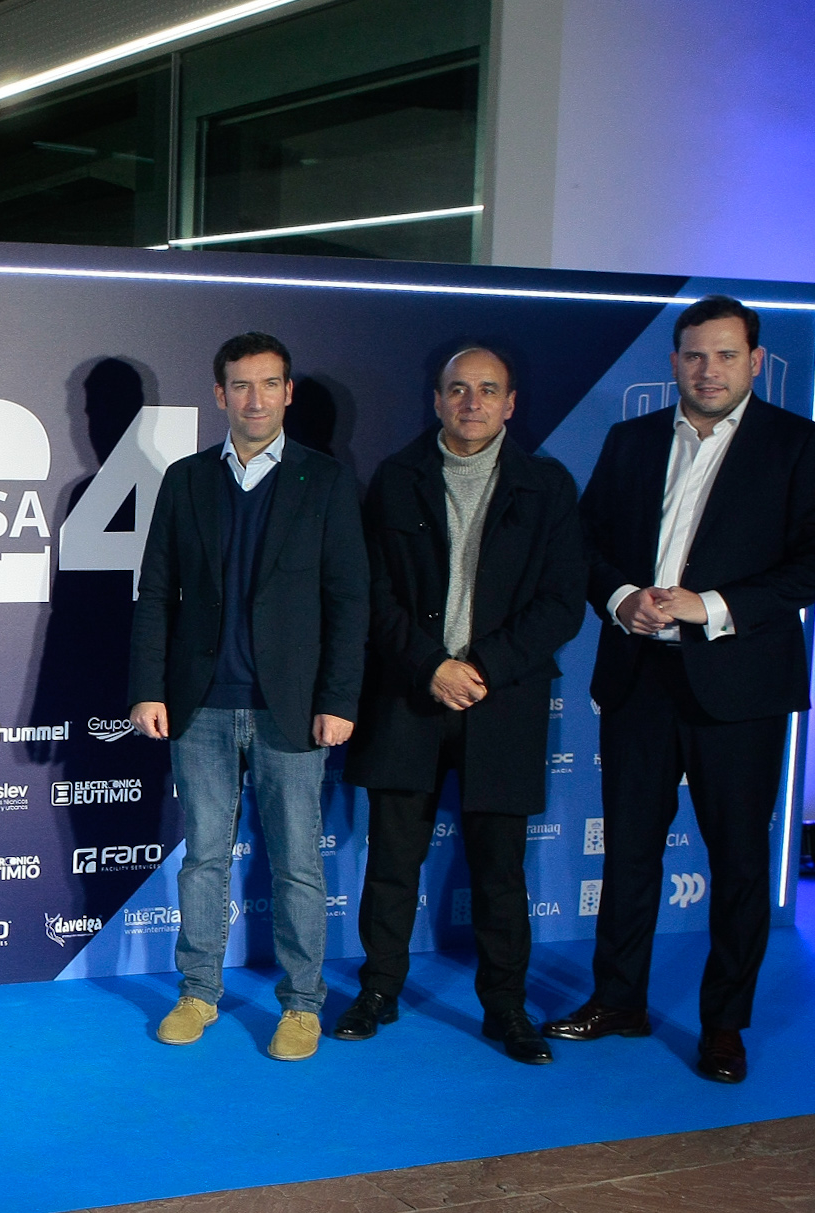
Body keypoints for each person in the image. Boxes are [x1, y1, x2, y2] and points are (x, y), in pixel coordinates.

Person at [549, 296, 815, 1083]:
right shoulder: (630, 441)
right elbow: (585, 542)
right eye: (695, 355)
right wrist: (620, 596)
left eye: (726, 355)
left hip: (740, 687)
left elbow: (810, 563)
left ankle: (724, 1026)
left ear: (755, 361)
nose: (709, 370)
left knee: (739, 862)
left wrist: (713, 607)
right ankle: (618, 1001)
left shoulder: (797, 445)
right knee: (630, 851)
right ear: (673, 362)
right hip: (639, 677)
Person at [338, 347, 586, 1063]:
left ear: (510, 403)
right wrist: (431, 667)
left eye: (487, 389)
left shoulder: (547, 486)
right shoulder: (396, 478)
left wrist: (479, 669)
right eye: (457, 389)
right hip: (409, 697)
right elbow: (372, 595)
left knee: (500, 872)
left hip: (501, 701)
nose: (471, 402)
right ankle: (379, 991)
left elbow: (562, 602)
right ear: (438, 400)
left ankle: (506, 1006)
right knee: (392, 863)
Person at [127, 331, 368, 1060]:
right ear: (219, 395)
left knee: (297, 863)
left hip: (290, 706)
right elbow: (155, 593)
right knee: (204, 858)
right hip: (199, 704)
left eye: (268, 384)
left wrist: (339, 698)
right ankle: (198, 992)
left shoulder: (326, 481)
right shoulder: (186, 480)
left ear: (288, 393)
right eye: (240, 385)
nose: (255, 399)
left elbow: (349, 600)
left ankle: (302, 1006)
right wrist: (148, 688)